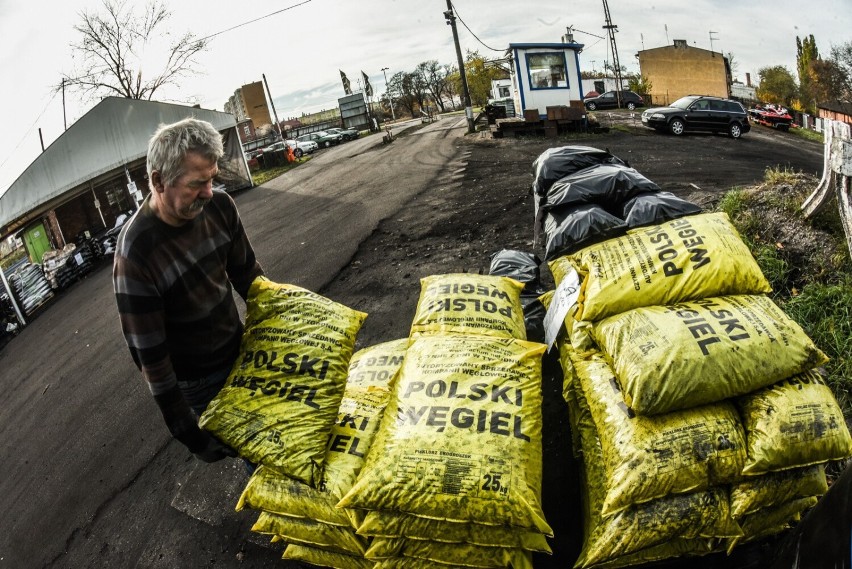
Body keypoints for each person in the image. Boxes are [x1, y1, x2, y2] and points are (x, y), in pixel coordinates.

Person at [113, 118, 263, 463]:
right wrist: (187, 432)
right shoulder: (136, 254)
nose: (210, 192)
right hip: (200, 381)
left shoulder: (221, 207)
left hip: (242, 347)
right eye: (198, 184)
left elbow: (248, 275)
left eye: (212, 179)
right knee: (257, 455)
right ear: (158, 181)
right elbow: (151, 358)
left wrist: (280, 325)